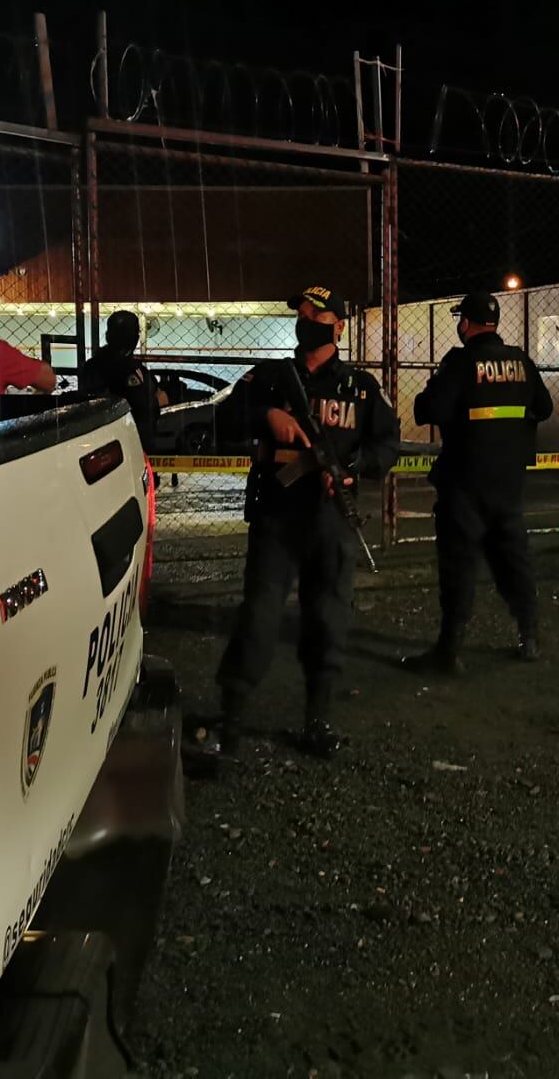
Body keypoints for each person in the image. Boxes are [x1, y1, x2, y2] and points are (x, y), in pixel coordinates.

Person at [205, 283, 398, 760]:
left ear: (338, 326)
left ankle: (318, 719)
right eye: (302, 314)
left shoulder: (360, 388)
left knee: (328, 619)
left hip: (330, 520)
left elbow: (387, 445)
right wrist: (267, 415)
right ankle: (231, 720)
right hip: (277, 516)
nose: (305, 322)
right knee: (259, 616)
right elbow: (224, 416)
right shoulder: (271, 377)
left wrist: (352, 469)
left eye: (316, 315)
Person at [403, 290, 553, 675]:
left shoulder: (460, 362)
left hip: (465, 481)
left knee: (459, 562)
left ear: (465, 323)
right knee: (513, 557)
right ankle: (529, 636)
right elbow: (544, 407)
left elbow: (429, 409)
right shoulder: (520, 361)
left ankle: (449, 651)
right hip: (508, 481)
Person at [78, 309, 164, 444]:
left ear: (108, 335)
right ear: (135, 337)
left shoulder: (93, 365)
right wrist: (157, 402)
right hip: (128, 438)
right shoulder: (125, 367)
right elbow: (138, 404)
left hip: (106, 438)